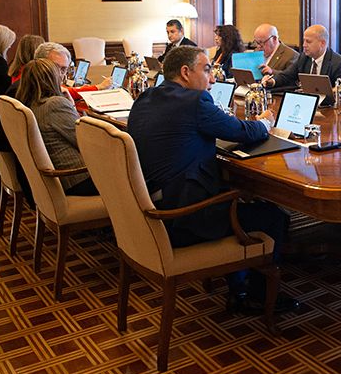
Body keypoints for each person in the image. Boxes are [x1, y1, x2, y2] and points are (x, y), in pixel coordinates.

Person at [127, 45, 299, 314]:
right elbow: (243, 131)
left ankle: (238, 286)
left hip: (150, 211)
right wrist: (265, 122)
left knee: (236, 198)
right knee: (273, 216)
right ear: (185, 72)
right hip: (183, 218)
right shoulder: (194, 102)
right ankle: (255, 295)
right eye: (206, 70)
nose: (212, 79)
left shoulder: (146, 97)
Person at [14, 59, 98, 196]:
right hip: (77, 179)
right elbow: (86, 141)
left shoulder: (30, 104)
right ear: (52, 79)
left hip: (59, 177)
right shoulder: (55, 105)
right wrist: (71, 106)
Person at [262, 24, 341, 90]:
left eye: (308, 42)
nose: (304, 45)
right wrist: (272, 81)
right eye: (304, 41)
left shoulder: (339, 64)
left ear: (322, 43)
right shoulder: (304, 58)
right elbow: (287, 75)